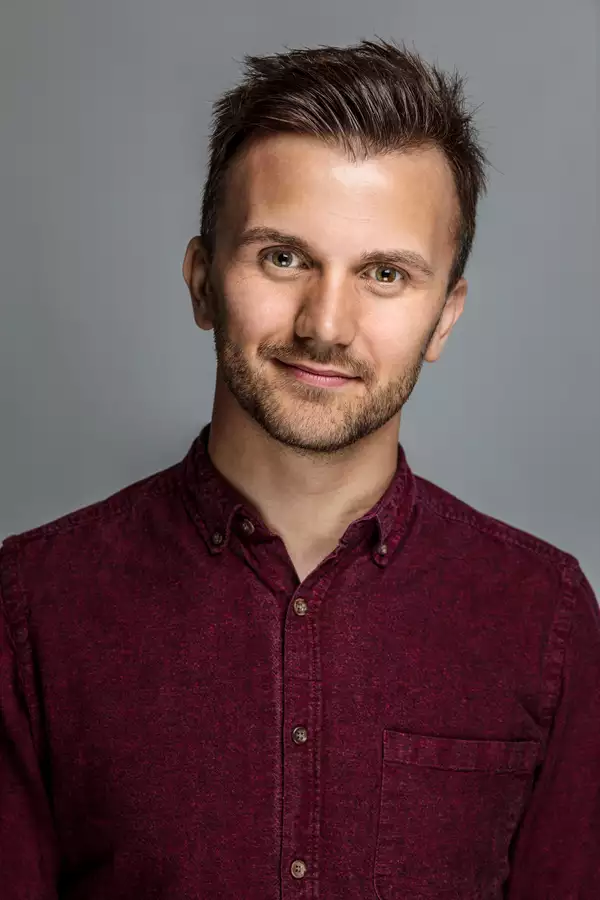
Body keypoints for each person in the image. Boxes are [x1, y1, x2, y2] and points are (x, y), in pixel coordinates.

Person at [0, 38, 598, 900]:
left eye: (385, 274)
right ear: (203, 281)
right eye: (283, 257)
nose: (326, 323)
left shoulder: (546, 621)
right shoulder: (33, 607)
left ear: (444, 317)